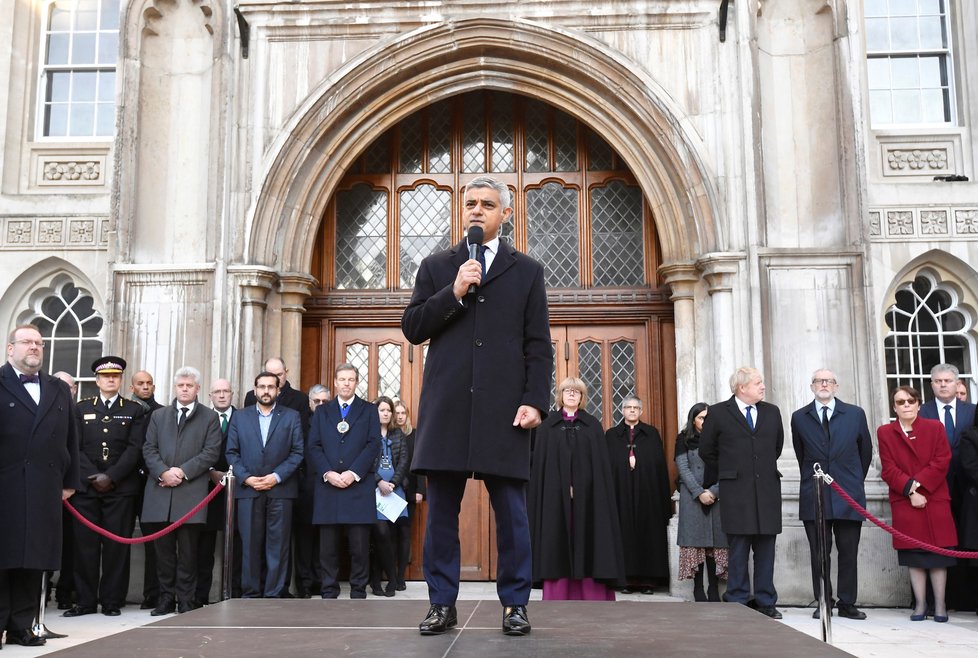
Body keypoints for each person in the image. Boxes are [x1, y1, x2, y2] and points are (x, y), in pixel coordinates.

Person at [402, 176, 552, 636]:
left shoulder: (526, 270)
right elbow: (413, 327)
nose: (477, 210)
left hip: (504, 412)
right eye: (470, 203)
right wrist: (455, 292)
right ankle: (441, 604)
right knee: (442, 515)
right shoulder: (436, 266)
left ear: (505, 214)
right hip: (447, 409)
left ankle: (515, 605)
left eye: (488, 204)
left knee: (511, 514)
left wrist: (534, 401)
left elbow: (538, 345)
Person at [0, 324, 80, 648]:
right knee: (4, 558)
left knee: (34, 558)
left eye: (39, 343)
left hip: (45, 485)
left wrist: (70, 481)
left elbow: (71, 437)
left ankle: (22, 626)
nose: (34, 347)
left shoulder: (57, 388)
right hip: (6, 484)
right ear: (10, 349)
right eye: (27, 342)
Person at [63, 357, 147, 618]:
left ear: (121, 380)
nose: (111, 380)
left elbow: (135, 449)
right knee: (85, 547)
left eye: (115, 376)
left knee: (116, 548)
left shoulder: (134, 410)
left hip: (120, 489)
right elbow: (73, 447)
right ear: (97, 380)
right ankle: (85, 601)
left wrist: (111, 476)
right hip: (87, 490)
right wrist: (93, 476)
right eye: (106, 376)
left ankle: (112, 600)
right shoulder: (81, 408)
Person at [700, 366, 784, 619]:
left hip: (767, 490)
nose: (763, 386)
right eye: (758, 382)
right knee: (738, 549)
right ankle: (737, 598)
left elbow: (776, 447)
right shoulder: (717, 413)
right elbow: (707, 451)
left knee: (766, 548)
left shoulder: (772, 412)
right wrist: (731, 470)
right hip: (736, 490)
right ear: (742, 388)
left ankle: (766, 601)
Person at [528, 378, 624, 600]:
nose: (572, 395)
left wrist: (580, 488)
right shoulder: (547, 427)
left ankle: (591, 594)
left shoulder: (592, 426)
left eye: (577, 392)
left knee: (590, 539)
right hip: (554, 501)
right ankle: (559, 594)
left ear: (582, 397)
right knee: (556, 542)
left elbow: (599, 468)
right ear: (560, 395)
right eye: (567, 391)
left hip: (589, 500)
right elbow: (542, 469)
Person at [790, 369, 872, 620]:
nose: (823, 384)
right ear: (811, 385)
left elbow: (865, 452)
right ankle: (823, 601)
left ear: (836, 386)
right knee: (819, 552)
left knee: (848, 551)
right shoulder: (799, 417)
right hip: (815, 493)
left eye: (828, 381)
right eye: (818, 380)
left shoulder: (855, 414)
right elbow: (800, 453)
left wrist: (853, 479)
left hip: (848, 492)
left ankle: (847, 603)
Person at [141, 366, 223, 615]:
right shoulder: (159, 416)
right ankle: (166, 599)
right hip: (160, 491)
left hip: (191, 494)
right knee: (163, 553)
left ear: (198, 389)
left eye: (189, 385)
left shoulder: (209, 417)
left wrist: (181, 472)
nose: (184, 389)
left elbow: (211, 451)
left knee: (188, 553)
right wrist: (163, 472)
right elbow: (148, 448)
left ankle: (186, 600)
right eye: (180, 385)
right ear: (175, 388)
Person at [877, 385, 957, 622]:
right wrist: (911, 491)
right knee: (915, 555)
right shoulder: (885, 432)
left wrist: (919, 486)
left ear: (919, 404)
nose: (906, 406)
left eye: (910, 401)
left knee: (938, 556)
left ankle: (940, 605)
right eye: (900, 402)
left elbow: (942, 460)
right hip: (905, 500)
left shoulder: (935, 428)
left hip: (935, 498)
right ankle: (920, 605)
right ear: (894, 407)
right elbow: (888, 468)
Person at [226, 371, 304, 598]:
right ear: (255, 390)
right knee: (249, 545)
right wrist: (247, 478)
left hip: (280, 489)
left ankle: (275, 592)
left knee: (278, 546)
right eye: (262, 386)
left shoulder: (291, 416)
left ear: (278, 390)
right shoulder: (240, 417)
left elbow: (298, 452)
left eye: (271, 387)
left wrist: (276, 476)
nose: (266, 391)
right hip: (248, 490)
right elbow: (231, 452)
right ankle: (250, 593)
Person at [307, 364, 380, 599]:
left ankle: (358, 590)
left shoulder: (368, 410)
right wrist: (328, 472)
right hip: (329, 486)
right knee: (328, 546)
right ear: (335, 382)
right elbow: (314, 446)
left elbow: (373, 444)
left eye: (351, 379)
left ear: (357, 382)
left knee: (359, 546)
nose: (346, 383)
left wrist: (353, 473)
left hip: (358, 485)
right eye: (342, 379)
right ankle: (329, 590)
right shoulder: (322, 411)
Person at [605, 395, 671, 594]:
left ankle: (647, 581)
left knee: (647, 533)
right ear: (622, 410)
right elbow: (607, 465)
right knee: (622, 532)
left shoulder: (651, 434)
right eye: (628, 407)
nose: (632, 410)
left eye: (636, 408)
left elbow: (657, 465)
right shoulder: (611, 435)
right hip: (620, 492)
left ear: (641, 412)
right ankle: (624, 580)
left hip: (647, 492)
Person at [675, 402, 728, 602]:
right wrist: (699, 492)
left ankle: (714, 588)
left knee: (714, 545)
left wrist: (713, 491)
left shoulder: (721, 440)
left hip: (717, 496)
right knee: (696, 545)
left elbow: (727, 468)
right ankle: (698, 589)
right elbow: (683, 467)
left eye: (708, 418)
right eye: (700, 418)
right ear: (693, 420)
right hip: (692, 498)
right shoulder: (683, 439)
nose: (704, 422)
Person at [195, 378, 235, 606]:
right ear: (209, 395)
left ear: (232, 394)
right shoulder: (201, 418)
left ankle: (235, 593)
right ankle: (201, 596)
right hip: (205, 490)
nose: (221, 395)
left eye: (226, 391)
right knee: (204, 548)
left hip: (237, 489)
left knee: (235, 545)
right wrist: (210, 470)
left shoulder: (243, 417)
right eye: (217, 392)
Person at [129, 369, 163, 609]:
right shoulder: (124, 410)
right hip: (126, 482)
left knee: (155, 542)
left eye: (149, 383)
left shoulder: (162, 412)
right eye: (140, 383)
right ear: (132, 387)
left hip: (153, 483)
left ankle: (153, 593)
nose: (145, 387)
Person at [369, 396, 408, 597]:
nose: (385, 413)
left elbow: (403, 461)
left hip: (394, 492)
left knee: (391, 536)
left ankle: (387, 582)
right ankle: (383, 578)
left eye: (388, 410)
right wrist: (379, 481)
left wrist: (393, 482)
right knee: (380, 534)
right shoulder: (368, 433)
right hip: (374, 491)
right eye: (381, 410)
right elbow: (365, 460)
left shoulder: (398, 434)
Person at [293, 384, 329, 598]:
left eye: (325, 401)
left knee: (325, 540)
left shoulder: (336, 422)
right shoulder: (299, 423)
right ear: (309, 402)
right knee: (305, 541)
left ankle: (321, 582)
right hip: (305, 489)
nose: (321, 405)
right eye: (317, 401)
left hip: (328, 489)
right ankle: (304, 584)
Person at [51, 371, 78, 611]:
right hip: (45, 489)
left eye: (69, 387)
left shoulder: (78, 412)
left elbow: (78, 450)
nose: (65, 391)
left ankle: (65, 591)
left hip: (71, 493)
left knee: (70, 545)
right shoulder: (47, 412)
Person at [393, 399, 423, 590]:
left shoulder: (415, 435)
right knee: (387, 534)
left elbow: (421, 463)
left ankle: (401, 575)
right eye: (397, 413)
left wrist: (421, 489)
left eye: (403, 413)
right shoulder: (390, 434)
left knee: (404, 534)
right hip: (389, 490)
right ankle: (389, 573)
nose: (400, 416)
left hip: (409, 491)